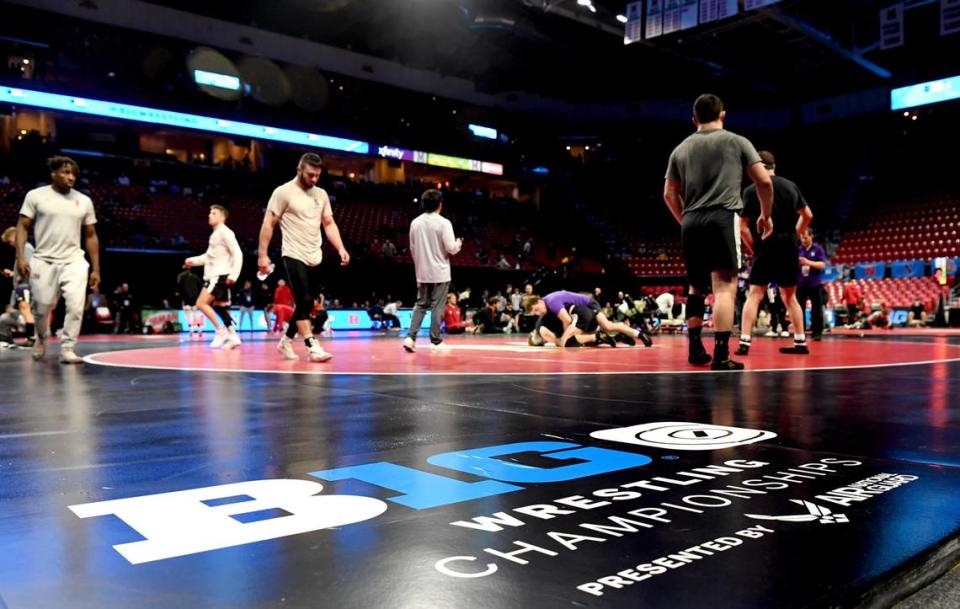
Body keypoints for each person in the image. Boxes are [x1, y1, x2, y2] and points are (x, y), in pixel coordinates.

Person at [663, 94, 773, 369]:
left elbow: (668, 194)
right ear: (722, 115)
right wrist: (765, 215)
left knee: (696, 287)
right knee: (724, 285)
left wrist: (684, 219)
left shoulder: (679, 149)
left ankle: (696, 349)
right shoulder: (737, 141)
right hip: (722, 216)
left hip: (691, 220)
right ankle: (722, 354)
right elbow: (763, 181)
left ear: (694, 119)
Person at [258, 152, 350, 362]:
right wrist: (262, 255)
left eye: (318, 175)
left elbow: (329, 223)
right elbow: (268, 223)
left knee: (307, 304)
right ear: (299, 170)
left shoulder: (321, 194)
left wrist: (340, 247)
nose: (314, 179)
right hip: (292, 252)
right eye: (310, 175)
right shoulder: (283, 192)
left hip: (315, 255)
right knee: (304, 298)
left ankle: (286, 341)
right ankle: (311, 344)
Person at [16, 156, 101, 364]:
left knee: (75, 304)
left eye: (73, 174)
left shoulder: (84, 200)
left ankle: (68, 348)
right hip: (43, 260)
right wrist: (20, 257)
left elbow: (91, 235)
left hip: (74, 260)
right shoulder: (36, 196)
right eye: (65, 172)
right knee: (42, 307)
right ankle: (41, 338)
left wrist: (96, 269)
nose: (70, 177)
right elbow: (22, 226)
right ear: (53, 173)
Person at [737, 150, 814, 355]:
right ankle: (800, 342)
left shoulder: (751, 190)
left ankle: (744, 342)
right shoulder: (790, 186)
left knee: (754, 294)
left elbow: (743, 226)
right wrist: (794, 235)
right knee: (790, 297)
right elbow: (807, 215)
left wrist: (754, 247)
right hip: (788, 245)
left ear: (758, 166)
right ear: (774, 166)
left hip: (765, 244)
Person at [403, 189, 462, 352]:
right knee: (437, 306)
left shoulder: (415, 222)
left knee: (420, 304)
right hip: (441, 272)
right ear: (440, 204)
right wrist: (458, 244)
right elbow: (451, 248)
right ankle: (436, 340)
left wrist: (420, 267)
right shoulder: (444, 223)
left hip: (422, 271)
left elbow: (412, 248)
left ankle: (410, 337)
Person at [185, 205, 243, 349]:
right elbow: (209, 257)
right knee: (219, 307)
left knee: (201, 303)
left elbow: (238, 253)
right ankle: (233, 335)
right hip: (216, 275)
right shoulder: (215, 234)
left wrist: (234, 274)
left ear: (222, 217)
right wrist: (194, 260)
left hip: (218, 276)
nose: (210, 215)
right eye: (210, 212)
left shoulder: (225, 232)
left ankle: (220, 330)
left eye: (214, 213)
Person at [526, 290, 652, 348]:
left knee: (606, 326)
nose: (539, 313)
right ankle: (639, 334)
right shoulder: (548, 301)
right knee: (605, 328)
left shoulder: (552, 302)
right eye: (535, 313)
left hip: (588, 304)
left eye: (537, 309)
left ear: (539, 301)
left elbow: (568, 321)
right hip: (584, 308)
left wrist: (563, 339)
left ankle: (628, 334)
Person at [2, 226, 35, 346]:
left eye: (10, 241)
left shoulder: (26, 248)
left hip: (26, 286)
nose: (10, 244)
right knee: (10, 315)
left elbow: (31, 266)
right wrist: (13, 273)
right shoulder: (21, 250)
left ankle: (32, 338)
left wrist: (20, 274)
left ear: (14, 236)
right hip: (21, 286)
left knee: (25, 310)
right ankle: (25, 337)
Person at [797, 227, 827, 340]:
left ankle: (817, 332)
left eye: (805, 237)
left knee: (816, 309)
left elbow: (822, 265)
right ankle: (800, 332)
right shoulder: (798, 250)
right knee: (799, 309)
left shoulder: (818, 249)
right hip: (801, 284)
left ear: (811, 236)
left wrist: (808, 262)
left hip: (815, 284)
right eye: (801, 238)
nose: (803, 240)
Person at [176, 264, 203, 339]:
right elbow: (201, 286)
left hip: (186, 298)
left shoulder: (181, 276)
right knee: (195, 313)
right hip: (195, 297)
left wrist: (179, 294)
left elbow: (178, 286)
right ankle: (199, 329)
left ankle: (191, 329)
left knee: (187, 314)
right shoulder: (195, 276)